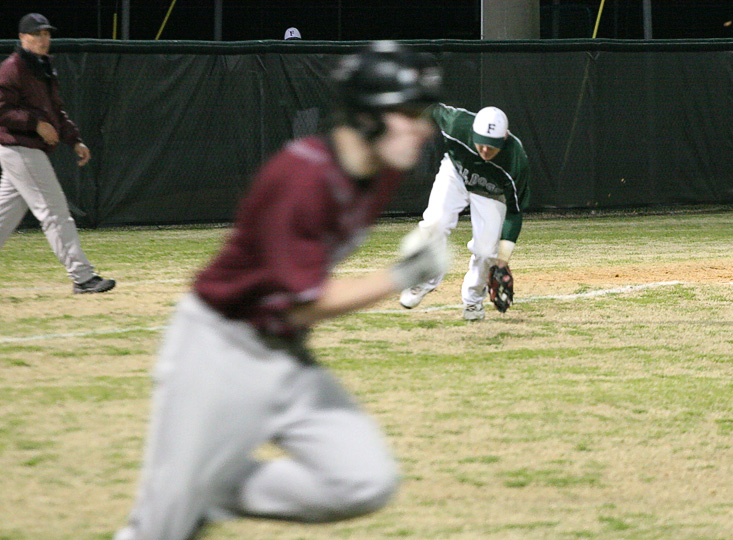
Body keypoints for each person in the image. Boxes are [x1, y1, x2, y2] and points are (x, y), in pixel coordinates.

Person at [113, 41, 446, 540]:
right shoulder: (302, 177)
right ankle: (194, 493)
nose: (424, 126)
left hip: (282, 352)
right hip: (220, 351)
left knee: (364, 481)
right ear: (366, 116)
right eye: (409, 111)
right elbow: (304, 304)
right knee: (158, 530)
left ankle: (214, 489)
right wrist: (402, 276)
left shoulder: (383, 172)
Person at [0, 13, 115, 294]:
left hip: (26, 148)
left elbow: (56, 111)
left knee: (2, 218)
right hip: (20, 148)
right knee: (55, 213)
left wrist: (74, 140)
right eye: (37, 34)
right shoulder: (12, 68)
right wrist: (35, 124)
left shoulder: (42, 66)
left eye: (47, 33)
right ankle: (83, 277)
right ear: (23, 37)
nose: (43, 38)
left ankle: (83, 277)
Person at [399, 103, 530, 320]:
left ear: (505, 137)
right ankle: (423, 281)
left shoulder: (516, 159)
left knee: (487, 252)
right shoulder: (456, 124)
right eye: (482, 143)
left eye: (492, 145)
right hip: (457, 173)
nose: (486, 150)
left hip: (490, 192)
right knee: (434, 222)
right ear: (473, 132)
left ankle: (472, 302)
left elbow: (515, 213)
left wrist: (503, 260)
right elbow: (430, 107)